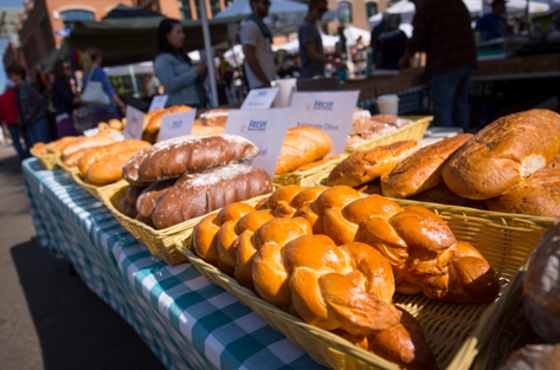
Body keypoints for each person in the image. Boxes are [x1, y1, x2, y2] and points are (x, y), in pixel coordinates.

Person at [398, 0, 477, 131]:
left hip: (446, 63)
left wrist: (404, 60)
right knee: (460, 104)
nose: (415, 5)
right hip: (467, 59)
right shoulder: (456, 3)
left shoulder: (427, 8)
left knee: (443, 107)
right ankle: (464, 143)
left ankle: (448, 145)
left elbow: (417, 40)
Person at [154, 18, 206, 108]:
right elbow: (169, 84)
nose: (183, 35)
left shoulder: (179, 56)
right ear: (167, 35)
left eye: (182, 32)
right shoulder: (162, 60)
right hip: (178, 108)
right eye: (178, 32)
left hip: (195, 104)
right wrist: (193, 72)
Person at [298, 0, 346, 79]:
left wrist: (330, 56)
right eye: (320, 9)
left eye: (325, 10)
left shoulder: (312, 26)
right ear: (311, 8)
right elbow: (312, 54)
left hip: (314, 75)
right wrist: (333, 62)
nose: (323, 12)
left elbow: (314, 53)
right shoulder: (307, 26)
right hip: (311, 76)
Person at [82, 47, 127, 125]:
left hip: (94, 111)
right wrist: (122, 105)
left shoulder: (85, 73)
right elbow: (109, 90)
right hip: (106, 110)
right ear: (98, 57)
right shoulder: (98, 70)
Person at [6, 64, 49, 147]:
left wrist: (29, 114)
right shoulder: (17, 89)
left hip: (37, 120)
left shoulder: (27, 86)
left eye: (11, 74)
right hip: (28, 122)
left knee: (43, 146)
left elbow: (37, 102)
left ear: (19, 75)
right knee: (35, 147)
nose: (9, 77)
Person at [240, 0, 277, 89]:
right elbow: (249, 58)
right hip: (261, 84)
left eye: (269, 3)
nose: (267, 6)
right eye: (264, 3)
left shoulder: (259, 25)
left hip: (266, 82)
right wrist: (265, 81)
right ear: (253, 4)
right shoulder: (251, 26)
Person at [0, 80, 28, 159]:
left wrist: (1, 124)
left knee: (16, 140)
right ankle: (28, 153)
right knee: (25, 137)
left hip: (10, 121)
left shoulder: (2, 97)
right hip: (21, 119)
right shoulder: (17, 94)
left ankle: (22, 155)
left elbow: (0, 112)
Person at [51, 60, 80, 137]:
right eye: (67, 68)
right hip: (65, 119)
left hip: (68, 117)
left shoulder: (65, 83)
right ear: (60, 70)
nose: (70, 69)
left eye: (70, 67)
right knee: (72, 143)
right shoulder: (58, 83)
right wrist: (83, 98)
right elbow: (71, 100)